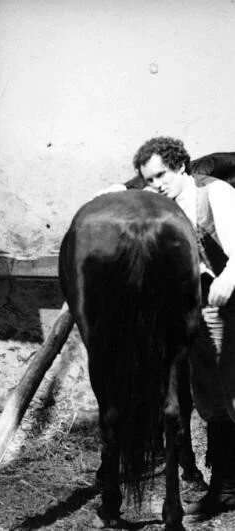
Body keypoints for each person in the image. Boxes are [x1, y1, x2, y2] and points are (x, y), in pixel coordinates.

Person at [106, 136, 235, 516]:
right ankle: (226, 488)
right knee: (211, 399)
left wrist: (230, 277)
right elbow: (125, 192)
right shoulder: (162, 199)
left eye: (161, 175)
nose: (156, 185)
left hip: (230, 303)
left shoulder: (215, 194)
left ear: (181, 166)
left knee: (232, 395)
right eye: (149, 179)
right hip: (201, 308)